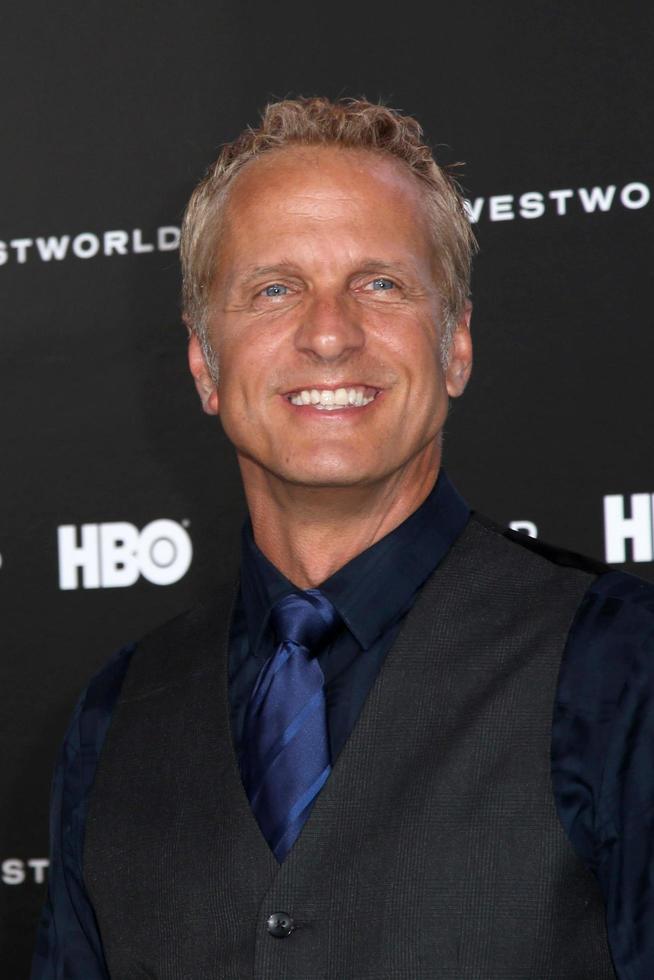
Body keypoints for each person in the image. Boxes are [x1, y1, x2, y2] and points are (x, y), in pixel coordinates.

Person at [32, 97, 654, 980]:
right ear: (206, 365)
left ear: (457, 347)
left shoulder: (624, 666)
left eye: (381, 284)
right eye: (275, 289)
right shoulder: (115, 716)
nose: (330, 334)